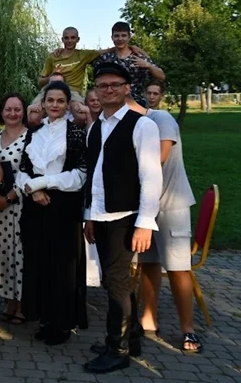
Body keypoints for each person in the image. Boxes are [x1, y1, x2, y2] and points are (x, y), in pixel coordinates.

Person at [83, 63, 162, 374]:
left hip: (126, 216)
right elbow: (94, 176)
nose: (108, 90)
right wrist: (89, 216)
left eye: (115, 84)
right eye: (102, 85)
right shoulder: (96, 127)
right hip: (101, 215)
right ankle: (132, 337)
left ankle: (117, 350)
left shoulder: (143, 125)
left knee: (116, 282)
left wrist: (145, 222)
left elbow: (151, 176)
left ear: (127, 88)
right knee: (116, 280)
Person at [125, 94, 201, 352]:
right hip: (147, 207)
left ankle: (188, 329)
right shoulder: (130, 125)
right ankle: (149, 319)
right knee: (148, 263)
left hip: (172, 205)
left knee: (178, 268)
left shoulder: (161, 119)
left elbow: (159, 157)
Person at [16, 81, 89, 346]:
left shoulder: (76, 133)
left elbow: (80, 175)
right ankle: (45, 318)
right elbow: (22, 170)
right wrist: (32, 189)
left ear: (68, 104)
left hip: (63, 207)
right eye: (50, 100)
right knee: (39, 263)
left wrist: (43, 183)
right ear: (43, 103)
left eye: (60, 101)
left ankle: (62, 323)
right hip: (35, 206)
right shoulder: (34, 132)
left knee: (62, 267)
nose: (55, 105)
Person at [0, 93, 28, 324]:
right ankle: (7, 299)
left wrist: (9, 198)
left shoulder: (31, 138)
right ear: (1, 112)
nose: (12, 113)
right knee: (0, 254)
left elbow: (29, 173)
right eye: (8, 109)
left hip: (19, 206)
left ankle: (19, 304)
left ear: (24, 111)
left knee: (19, 255)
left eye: (17, 109)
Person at [39, 26, 147, 93]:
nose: (70, 40)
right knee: (33, 113)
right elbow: (40, 82)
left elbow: (109, 49)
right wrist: (52, 76)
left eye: (73, 38)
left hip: (73, 93)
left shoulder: (84, 55)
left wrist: (131, 47)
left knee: (81, 115)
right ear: (62, 39)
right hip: (49, 90)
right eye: (66, 38)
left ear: (78, 39)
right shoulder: (53, 56)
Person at [92, 22, 165, 106]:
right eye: (116, 36)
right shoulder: (105, 59)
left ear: (129, 37)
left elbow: (161, 77)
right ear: (112, 37)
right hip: (112, 103)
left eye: (123, 36)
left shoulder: (138, 57)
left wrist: (148, 65)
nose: (120, 39)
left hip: (136, 103)